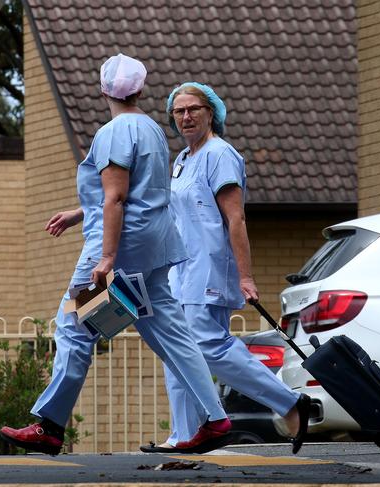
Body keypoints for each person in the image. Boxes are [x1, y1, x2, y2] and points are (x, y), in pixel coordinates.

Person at [0, 55, 232, 456]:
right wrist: (79, 213)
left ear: (103, 89)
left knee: (73, 325)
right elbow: (140, 190)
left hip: (122, 250)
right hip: (155, 248)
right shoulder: (153, 129)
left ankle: (51, 427)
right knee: (171, 332)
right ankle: (215, 419)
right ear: (140, 90)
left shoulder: (113, 132)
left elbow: (117, 196)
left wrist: (106, 258)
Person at [141, 82, 310, 455]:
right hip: (178, 273)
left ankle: (289, 402)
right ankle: (185, 433)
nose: (186, 117)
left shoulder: (221, 155)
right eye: (179, 111)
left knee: (210, 345)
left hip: (210, 270)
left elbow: (236, 220)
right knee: (175, 349)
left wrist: (246, 276)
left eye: (193, 109)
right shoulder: (182, 159)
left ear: (211, 112)